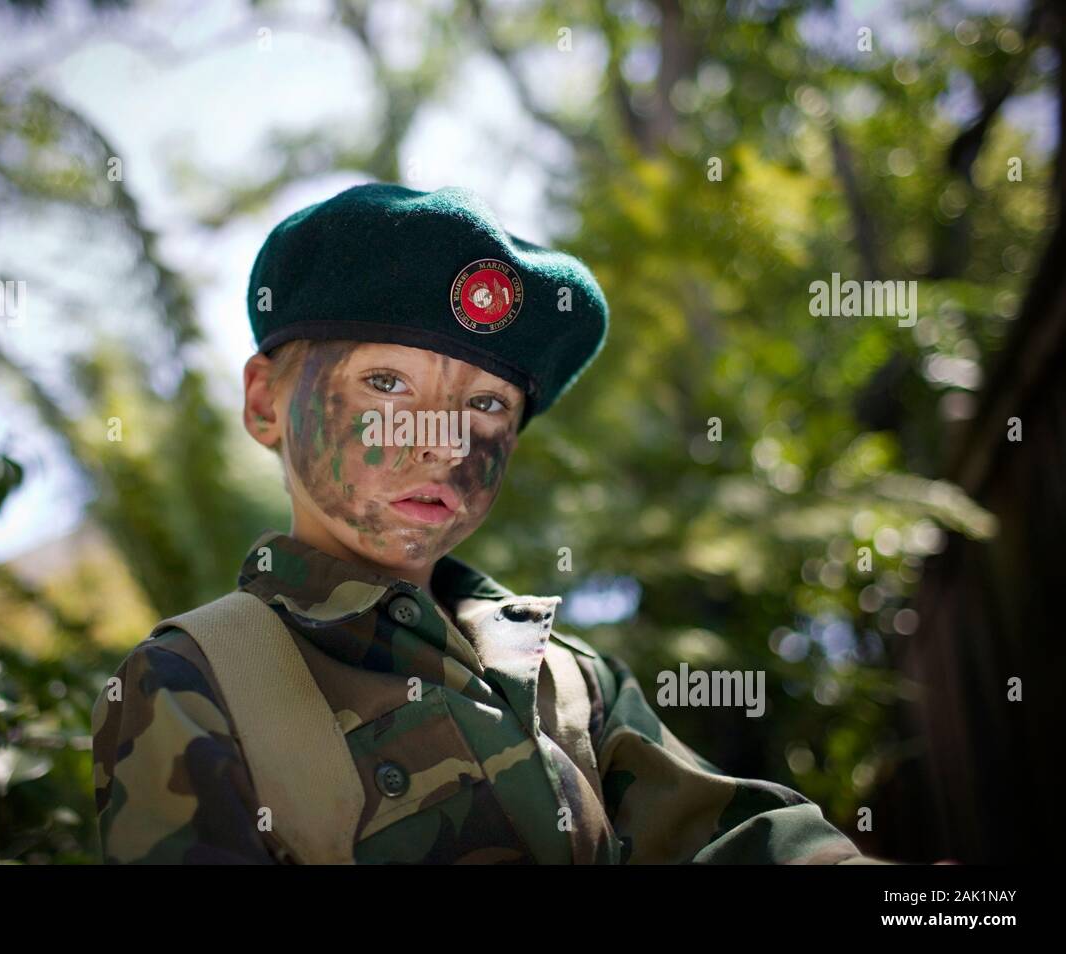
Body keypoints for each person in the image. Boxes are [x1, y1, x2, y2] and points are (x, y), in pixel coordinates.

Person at [90, 182, 872, 864]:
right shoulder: (194, 681)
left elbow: (734, 840)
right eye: (387, 383)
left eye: (486, 403)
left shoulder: (570, 679)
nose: (440, 443)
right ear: (266, 403)